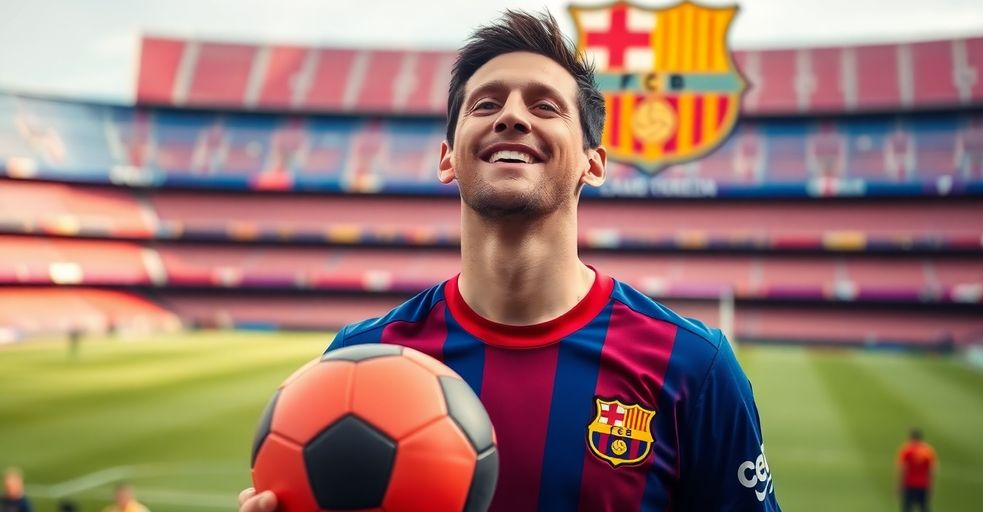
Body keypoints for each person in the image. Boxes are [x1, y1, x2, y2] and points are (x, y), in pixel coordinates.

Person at [240, 10, 780, 511]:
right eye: (485, 104)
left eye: (545, 106)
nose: (512, 117)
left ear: (594, 164)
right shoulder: (360, 360)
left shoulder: (693, 367)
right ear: (448, 157)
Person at [896, 428, 937, 512]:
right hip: (923, 485)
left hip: (909, 484)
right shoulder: (928, 451)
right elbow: (932, 470)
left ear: (911, 437)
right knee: (924, 508)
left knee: (907, 508)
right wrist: (931, 486)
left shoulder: (907, 450)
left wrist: (898, 485)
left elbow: (902, 469)